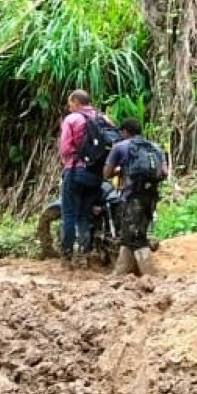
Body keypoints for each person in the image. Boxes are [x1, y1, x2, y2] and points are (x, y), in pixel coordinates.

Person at [58, 90, 116, 267]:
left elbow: (66, 148)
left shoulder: (72, 119)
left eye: (70, 104)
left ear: (76, 102)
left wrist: (67, 162)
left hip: (75, 171)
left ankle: (67, 256)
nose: (69, 108)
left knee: (69, 214)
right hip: (96, 175)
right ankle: (85, 255)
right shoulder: (104, 119)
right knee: (85, 215)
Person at [104, 115, 169, 276]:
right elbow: (165, 173)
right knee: (131, 234)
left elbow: (107, 173)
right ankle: (120, 272)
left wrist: (120, 170)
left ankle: (151, 274)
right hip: (151, 196)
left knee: (136, 238)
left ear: (125, 132)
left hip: (132, 196)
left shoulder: (120, 147)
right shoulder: (155, 147)